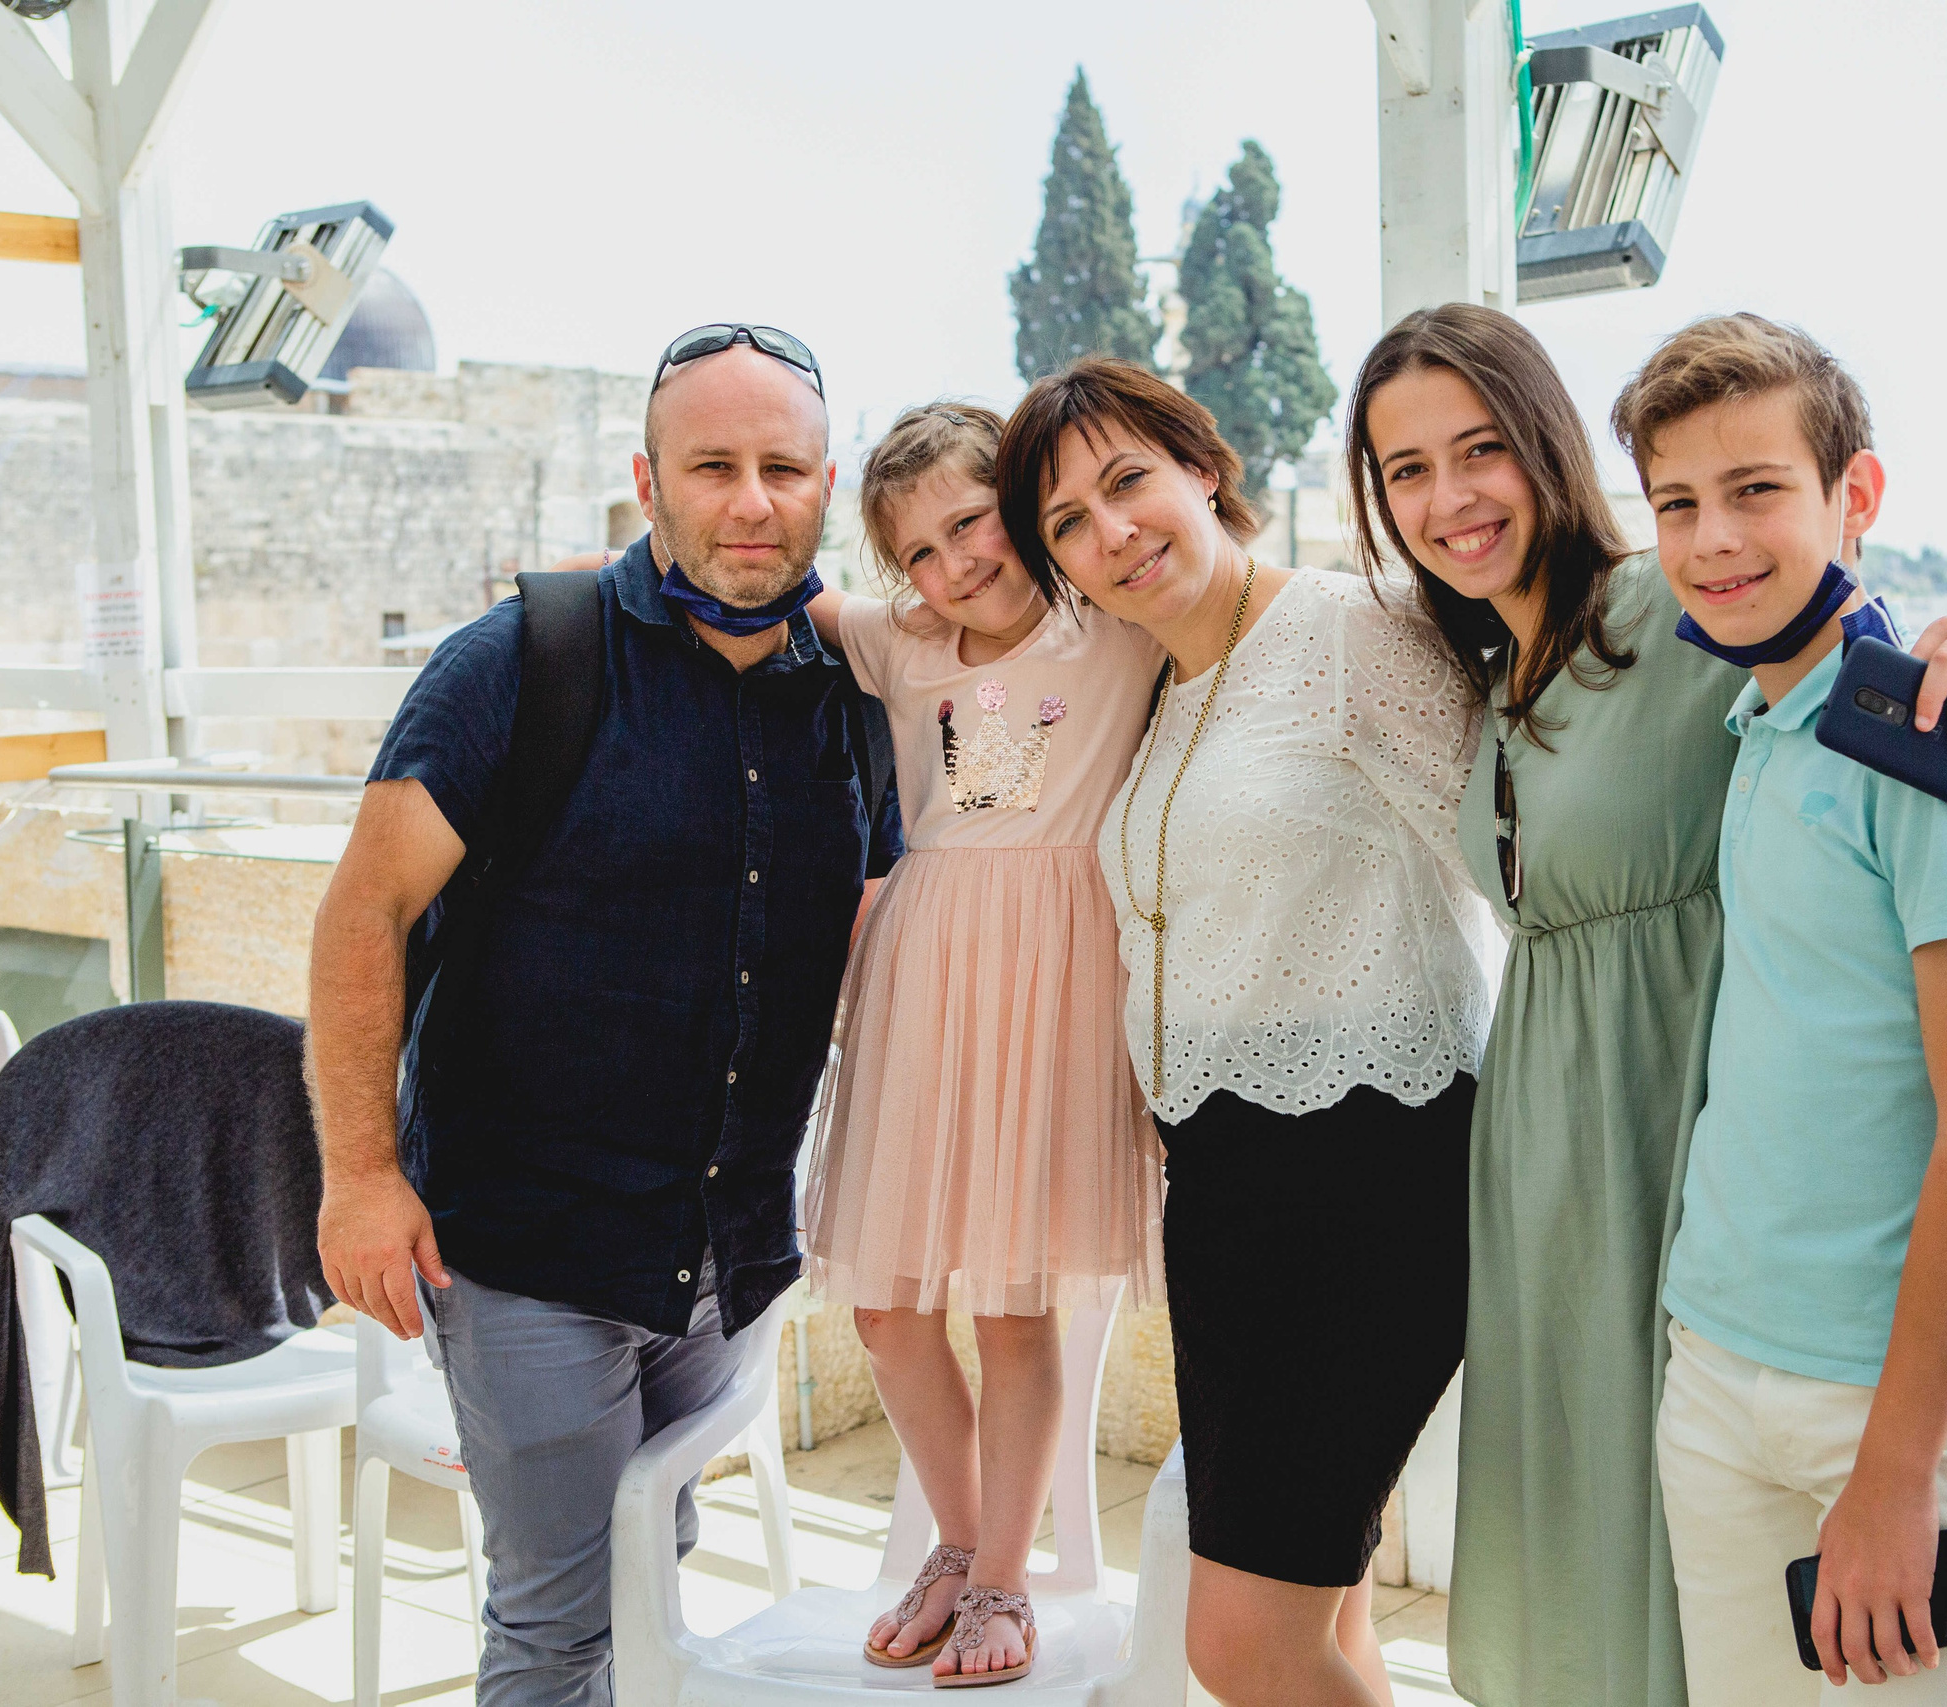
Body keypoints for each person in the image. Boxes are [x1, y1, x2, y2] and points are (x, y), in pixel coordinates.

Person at [1343, 301, 1947, 1707]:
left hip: (1697, 1169)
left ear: (1548, 451)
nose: (1449, 495)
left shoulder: (1685, 624)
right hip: (1651, 1242)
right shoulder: (1559, 681)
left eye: (1481, 447)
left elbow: (1902, 686)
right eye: (1406, 469)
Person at [307, 323, 899, 1707]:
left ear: (829, 482)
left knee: (649, 1577)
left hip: (731, 1243)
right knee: (559, 1622)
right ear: (649, 478)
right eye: (714, 466)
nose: (751, 500)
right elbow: (363, 913)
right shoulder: (522, 658)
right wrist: (358, 1172)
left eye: (783, 466)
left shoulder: (859, 694)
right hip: (528, 1245)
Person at [995, 358, 1501, 1707]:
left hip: (1374, 1180)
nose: (1111, 533)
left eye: (1127, 482)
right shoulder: (1148, 690)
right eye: (1066, 523)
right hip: (1223, 1197)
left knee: (1239, 1641)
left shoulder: (1353, 630)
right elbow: (946, 678)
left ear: (1201, 467)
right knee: (1325, 1605)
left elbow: (1529, 825)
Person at [1616, 312, 1947, 1704]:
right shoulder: (1762, 720)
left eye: (1757, 490)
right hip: (1718, 1358)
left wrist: (1897, 1474)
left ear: (1855, 495)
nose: (1714, 540)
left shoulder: (1940, 736)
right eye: (1679, 504)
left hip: (1908, 1408)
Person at [804, 403, 1165, 1683]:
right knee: (887, 1302)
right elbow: (754, 597)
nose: (955, 565)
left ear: (1017, 503)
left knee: (1016, 1305)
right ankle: (956, 1546)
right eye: (919, 552)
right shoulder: (899, 645)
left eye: (970, 523)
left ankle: (1004, 1583)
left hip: (1058, 980)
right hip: (922, 975)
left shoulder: (1114, 626)